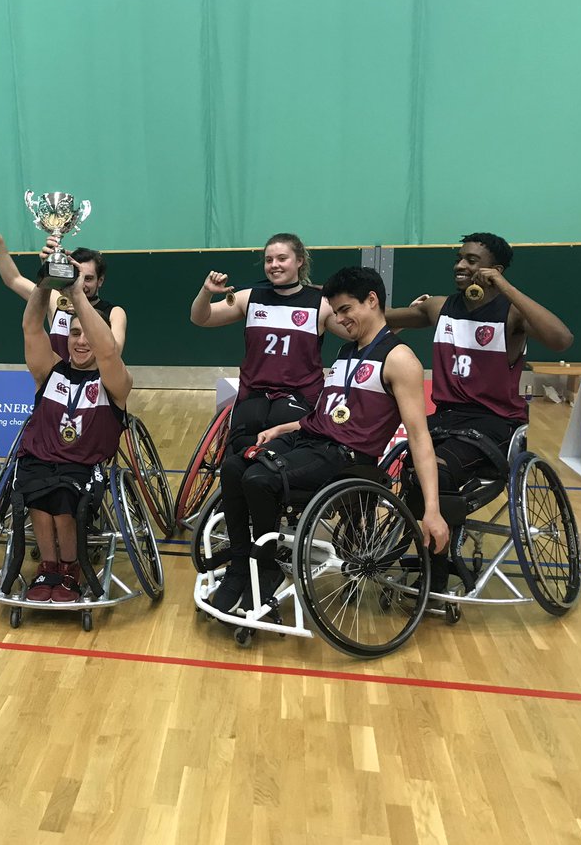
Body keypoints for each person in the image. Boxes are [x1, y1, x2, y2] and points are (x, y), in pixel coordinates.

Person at [213, 266, 449, 614]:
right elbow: (327, 414)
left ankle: (265, 569)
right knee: (233, 466)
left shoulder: (400, 360)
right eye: (336, 312)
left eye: (345, 311)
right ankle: (239, 564)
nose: (339, 319)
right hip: (310, 441)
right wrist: (284, 428)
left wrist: (432, 510)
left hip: (346, 457)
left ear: (371, 301)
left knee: (259, 478)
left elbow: (419, 438)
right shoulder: (346, 352)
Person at [384, 232, 574, 593]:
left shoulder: (512, 313)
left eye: (472, 260)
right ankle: (411, 551)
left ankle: (435, 578)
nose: (460, 265)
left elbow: (561, 340)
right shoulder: (439, 307)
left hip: (494, 425)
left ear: (494, 270)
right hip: (444, 419)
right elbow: (373, 317)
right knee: (406, 468)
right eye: (459, 258)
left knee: (435, 473)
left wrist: (505, 287)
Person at [13, 277, 133, 603]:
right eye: (74, 333)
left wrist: (78, 295)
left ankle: (70, 567)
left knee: (65, 498)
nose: (81, 342)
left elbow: (107, 350)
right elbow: (31, 328)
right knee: (35, 492)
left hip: (84, 465)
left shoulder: (113, 381)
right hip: (39, 458)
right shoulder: (50, 370)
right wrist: (43, 283)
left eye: (88, 335)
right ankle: (48, 567)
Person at [191, 233, 345, 454]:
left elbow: (362, 333)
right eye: (269, 260)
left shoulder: (320, 304)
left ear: (299, 261)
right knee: (238, 455)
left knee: (279, 462)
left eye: (282, 258)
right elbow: (201, 318)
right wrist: (206, 292)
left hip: (298, 398)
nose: (274, 265)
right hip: (254, 395)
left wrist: (407, 317)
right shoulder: (250, 297)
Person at [0, 220, 127, 360]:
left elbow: (114, 354)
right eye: (77, 276)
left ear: (100, 280)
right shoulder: (56, 301)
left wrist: (82, 309)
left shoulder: (115, 313)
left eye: (88, 278)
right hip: (56, 385)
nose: (81, 284)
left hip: (93, 387)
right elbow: (13, 279)